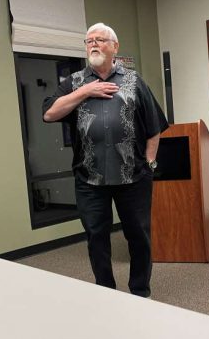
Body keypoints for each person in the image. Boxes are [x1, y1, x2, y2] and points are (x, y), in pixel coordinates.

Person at [43, 23, 168, 298]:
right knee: (96, 238)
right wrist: (85, 92)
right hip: (90, 178)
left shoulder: (134, 81)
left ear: (114, 47)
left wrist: (149, 163)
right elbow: (50, 114)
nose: (93, 45)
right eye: (88, 41)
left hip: (133, 177)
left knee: (139, 237)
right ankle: (106, 294)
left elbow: (154, 127)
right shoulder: (74, 82)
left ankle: (139, 291)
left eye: (100, 40)